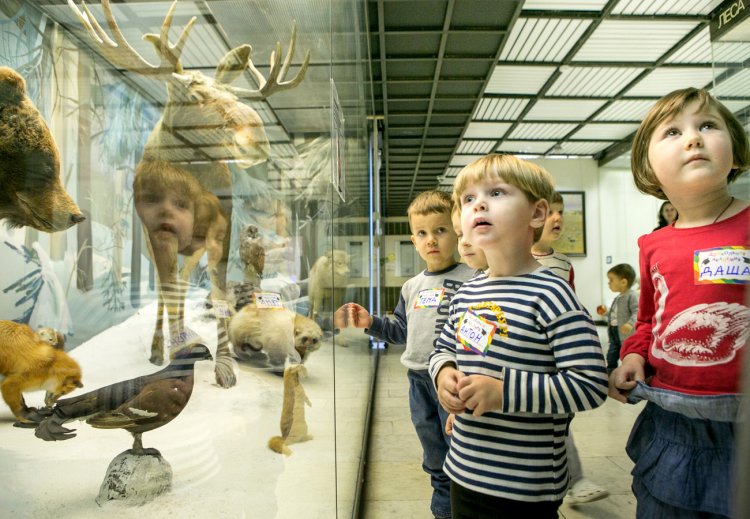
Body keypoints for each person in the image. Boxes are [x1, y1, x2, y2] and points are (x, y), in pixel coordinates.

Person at [430, 154, 608, 519]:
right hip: (463, 470)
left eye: (496, 193)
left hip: (526, 486)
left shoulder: (552, 294)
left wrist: (502, 391)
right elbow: (445, 346)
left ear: (537, 214)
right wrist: (443, 371)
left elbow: (590, 384)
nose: (478, 203)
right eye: (468, 199)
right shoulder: (467, 292)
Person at [610, 87, 749, 519]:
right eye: (673, 132)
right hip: (671, 417)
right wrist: (632, 355)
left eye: (708, 125)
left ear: (736, 149)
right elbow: (651, 318)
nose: (693, 139)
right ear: (648, 167)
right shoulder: (654, 245)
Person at [335, 190, 476, 519]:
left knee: (463, 458)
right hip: (418, 383)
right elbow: (400, 330)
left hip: (455, 382)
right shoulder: (412, 286)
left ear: (456, 231)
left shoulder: (474, 279)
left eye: (440, 230)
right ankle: (443, 511)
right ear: (413, 240)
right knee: (436, 459)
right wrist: (371, 322)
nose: (432, 241)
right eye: (423, 233)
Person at [531, 190, 609, 504]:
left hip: (555, 357)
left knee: (559, 420)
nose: (558, 218)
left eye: (561, 212)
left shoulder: (563, 264)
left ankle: (568, 478)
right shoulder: (510, 257)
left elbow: (571, 307)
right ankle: (572, 479)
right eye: (551, 212)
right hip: (529, 356)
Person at [601, 263, 638, 374]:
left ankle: (628, 371)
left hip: (625, 334)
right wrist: (606, 313)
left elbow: (637, 312)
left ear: (623, 282)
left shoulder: (631, 296)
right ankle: (610, 371)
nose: (609, 283)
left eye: (611, 280)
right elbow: (615, 315)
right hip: (614, 331)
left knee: (626, 353)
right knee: (612, 354)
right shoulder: (618, 297)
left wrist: (630, 323)